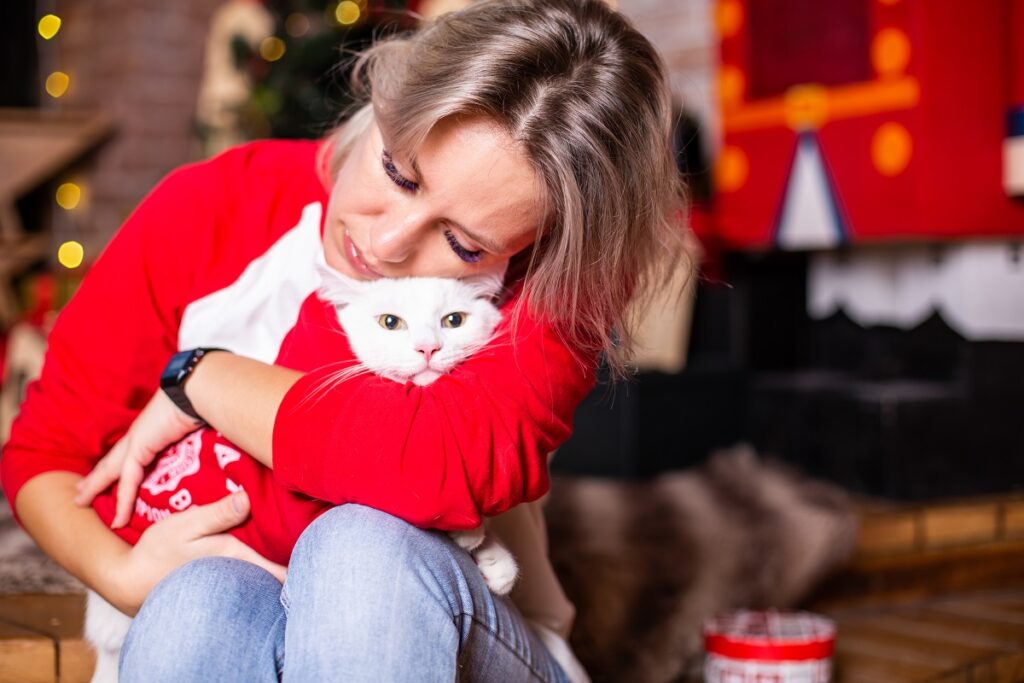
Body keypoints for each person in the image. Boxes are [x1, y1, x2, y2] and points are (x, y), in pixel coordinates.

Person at [0, 0, 687, 680]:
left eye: (462, 244)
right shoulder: (211, 206)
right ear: (383, 97)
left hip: (468, 639)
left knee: (363, 548)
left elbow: (433, 462)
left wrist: (202, 377)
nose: (386, 242)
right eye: (398, 172)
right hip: (225, 609)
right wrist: (121, 573)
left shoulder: (558, 273)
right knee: (195, 601)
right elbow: (45, 454)